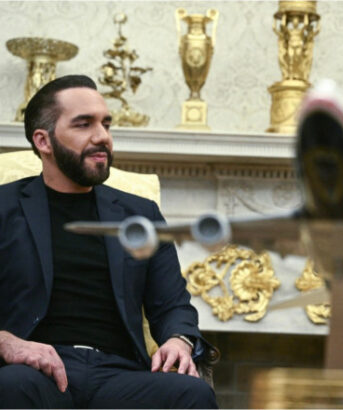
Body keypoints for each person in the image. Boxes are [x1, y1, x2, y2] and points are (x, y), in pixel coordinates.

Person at [0, 75, 218, 408]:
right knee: (11, 385)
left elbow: (172, 304)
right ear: (44, 141)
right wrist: (8, 343)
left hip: (120, 376)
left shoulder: (140, 214)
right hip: (33, 373)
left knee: (192, 394)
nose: (102, 136)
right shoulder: (4, 206)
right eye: (84, 124)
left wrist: (179, 340)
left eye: (106, 124)